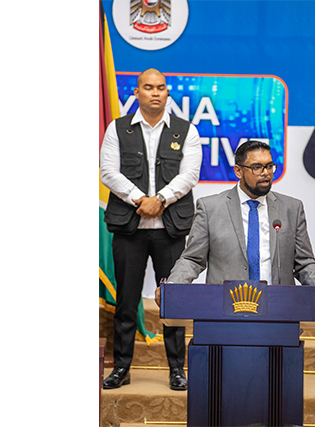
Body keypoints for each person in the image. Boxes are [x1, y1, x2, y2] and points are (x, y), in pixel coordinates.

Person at [100, 68, 202, 391]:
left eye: (160, 88)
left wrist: (159, 199)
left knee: (173, 301)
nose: (155, 93)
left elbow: (190, 174)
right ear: (137, 92)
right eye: (148, 87)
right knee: (126, 302)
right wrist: (139, 199)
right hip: (129, 229)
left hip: (170, 230)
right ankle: (121, 367)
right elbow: (108, 172)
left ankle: (177, 369)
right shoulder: (118, 129)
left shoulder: (186, 130)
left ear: (167, 92)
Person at [156, 140, 315, 311]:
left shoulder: (291, 208)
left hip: (279, 309)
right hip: (224, 310)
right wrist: (171, 287)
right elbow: (192, 259)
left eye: (269, 166)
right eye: (257, 167)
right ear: (238, 171)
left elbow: (304, 263)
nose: (266, 173)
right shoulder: (210, 208)